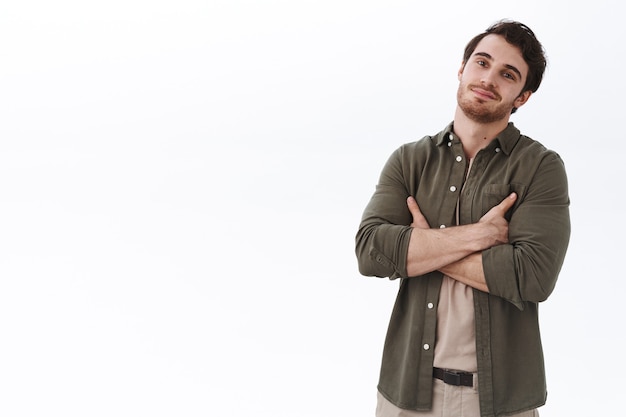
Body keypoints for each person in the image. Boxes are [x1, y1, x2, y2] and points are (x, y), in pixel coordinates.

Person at [355, 20, 570, 417]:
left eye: (508, 74)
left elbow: (533, 278)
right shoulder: (409, 160)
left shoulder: (540, 168)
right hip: (406, 394)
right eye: (481, 62)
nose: (488, 78)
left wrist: (424, 246)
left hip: (499, 400)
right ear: (462, 68)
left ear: (522, 96)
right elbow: (370, 252)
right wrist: (480, 235)